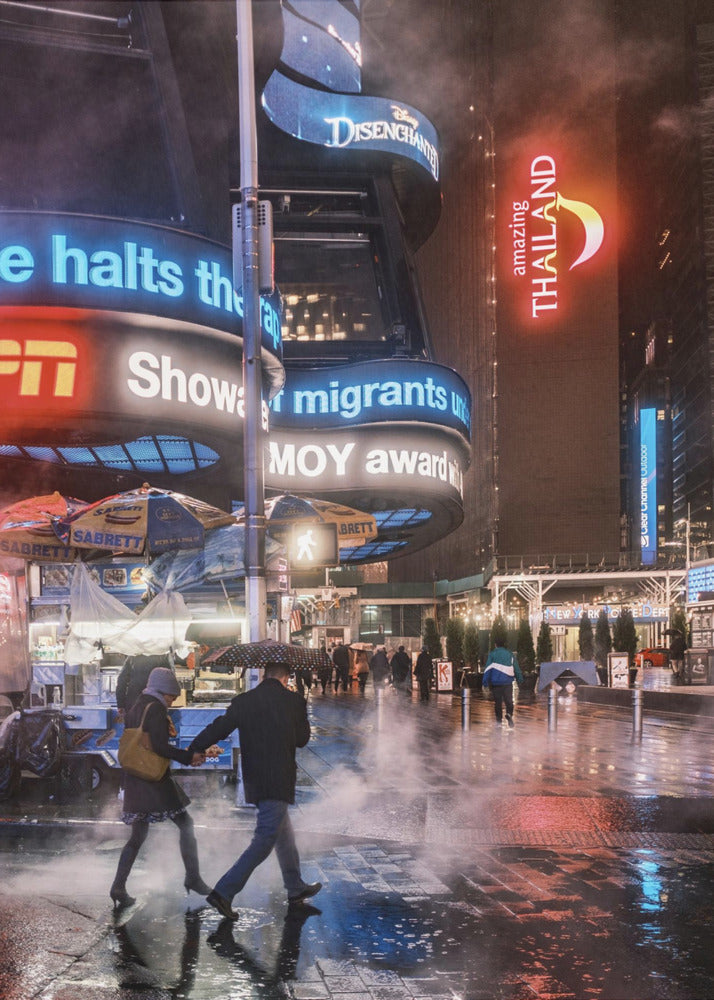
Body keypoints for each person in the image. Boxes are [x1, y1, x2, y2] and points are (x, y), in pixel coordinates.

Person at [188, 661, 321, 921]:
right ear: (286, 677)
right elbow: (302, 740)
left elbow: (220, 727)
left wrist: (195, 747)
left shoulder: (245, 701)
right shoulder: (293, 701)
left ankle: (295, 888)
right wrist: (300, 711)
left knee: (284, 835)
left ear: (265, 674)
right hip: (279, 778)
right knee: (265, 839)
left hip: (255, 779)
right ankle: (223, 892)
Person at [110, 667, 209, 909]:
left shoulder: (138, 704)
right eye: (171, 694)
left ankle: (118, 887)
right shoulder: (154, 708)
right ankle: (193, 877)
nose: (173, 699)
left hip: (136, 777)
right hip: (153, 780)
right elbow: (159, 747)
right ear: (162, 690)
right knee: (186, 824)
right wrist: (189, 756)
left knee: (138, 835)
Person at [482, 640, 524, 728]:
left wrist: (485, 682)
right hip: (507, 682)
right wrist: (520, 679)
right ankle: (509, 714)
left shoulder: (492, 654)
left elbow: (488, 669)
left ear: (495, 644)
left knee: (498, 702)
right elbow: (516, 667)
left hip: (496, 683)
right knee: (509, 701)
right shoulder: (510, 654)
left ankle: (499, 721)